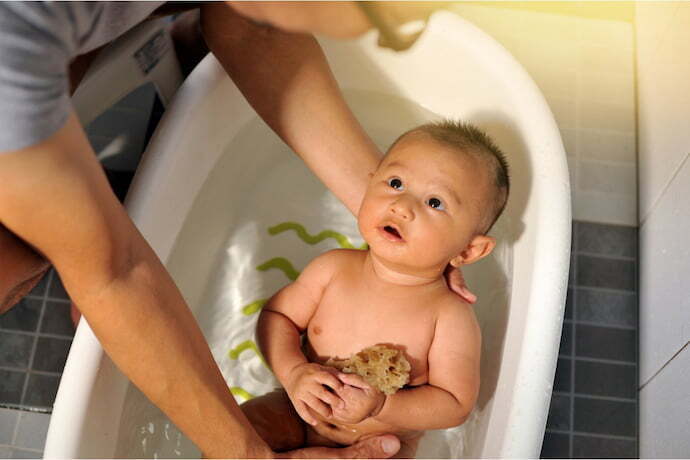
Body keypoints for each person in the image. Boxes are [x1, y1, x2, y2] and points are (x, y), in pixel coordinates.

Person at [0, 2, 471, 458]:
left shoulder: (449, 314)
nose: (367, 41)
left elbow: (256, 28)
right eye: (384, 24)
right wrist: (274, 405)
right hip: (294, 403)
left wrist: (397, 225)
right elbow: (116, 273)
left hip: (384, 426)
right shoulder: (15, 40)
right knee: (25, 260)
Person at [242, 120, 510, 458]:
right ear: (369, 187)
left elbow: (454, 404)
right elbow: (278, 315)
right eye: (396, 183)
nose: (402, 206)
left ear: (468, 251)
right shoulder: (332, 269)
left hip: (380, 442)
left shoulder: (449, 315)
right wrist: (294, 372)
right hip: (295, 410)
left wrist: (382, 405)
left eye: (435, 202)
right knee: (239, 430)